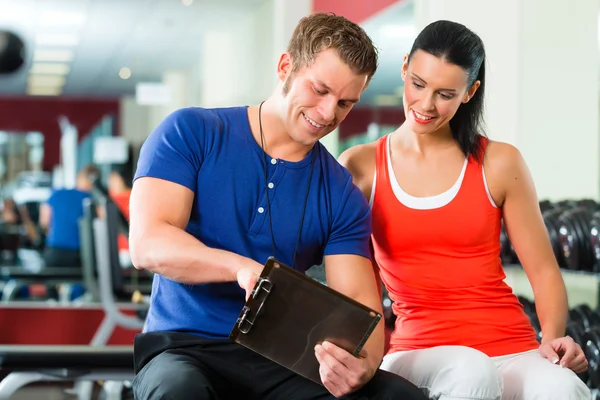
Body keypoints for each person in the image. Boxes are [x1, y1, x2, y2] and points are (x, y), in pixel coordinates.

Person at [128, 12, 427, 400]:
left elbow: (362, 319)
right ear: (286, 66)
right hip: (184, 349)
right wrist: (241, 269)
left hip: (283, 360)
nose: (327, 114)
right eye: (319, 90)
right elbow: (148, 244)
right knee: (180, 392)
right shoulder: (191, 132)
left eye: (345, 103)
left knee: (398, 397)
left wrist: (362, 365)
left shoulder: (341, 193)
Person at [339, 20, 590, 400]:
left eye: (445, 93)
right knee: (470, 372)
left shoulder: (499, 162)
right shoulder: (362, 167)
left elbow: (542, 269)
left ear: (469, 92)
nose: (425, 105)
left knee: (562, 388)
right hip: (418, 352)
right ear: (405, 67)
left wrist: (554, 340)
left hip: (511, 344)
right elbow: (358, 282)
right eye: (418, 84)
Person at [39, 164, 100, 267]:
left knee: (50, 278)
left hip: (54, 253)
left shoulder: (57, 194)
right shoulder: (92, 200)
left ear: (79, 177)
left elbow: (44, 221)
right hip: (79, 255)